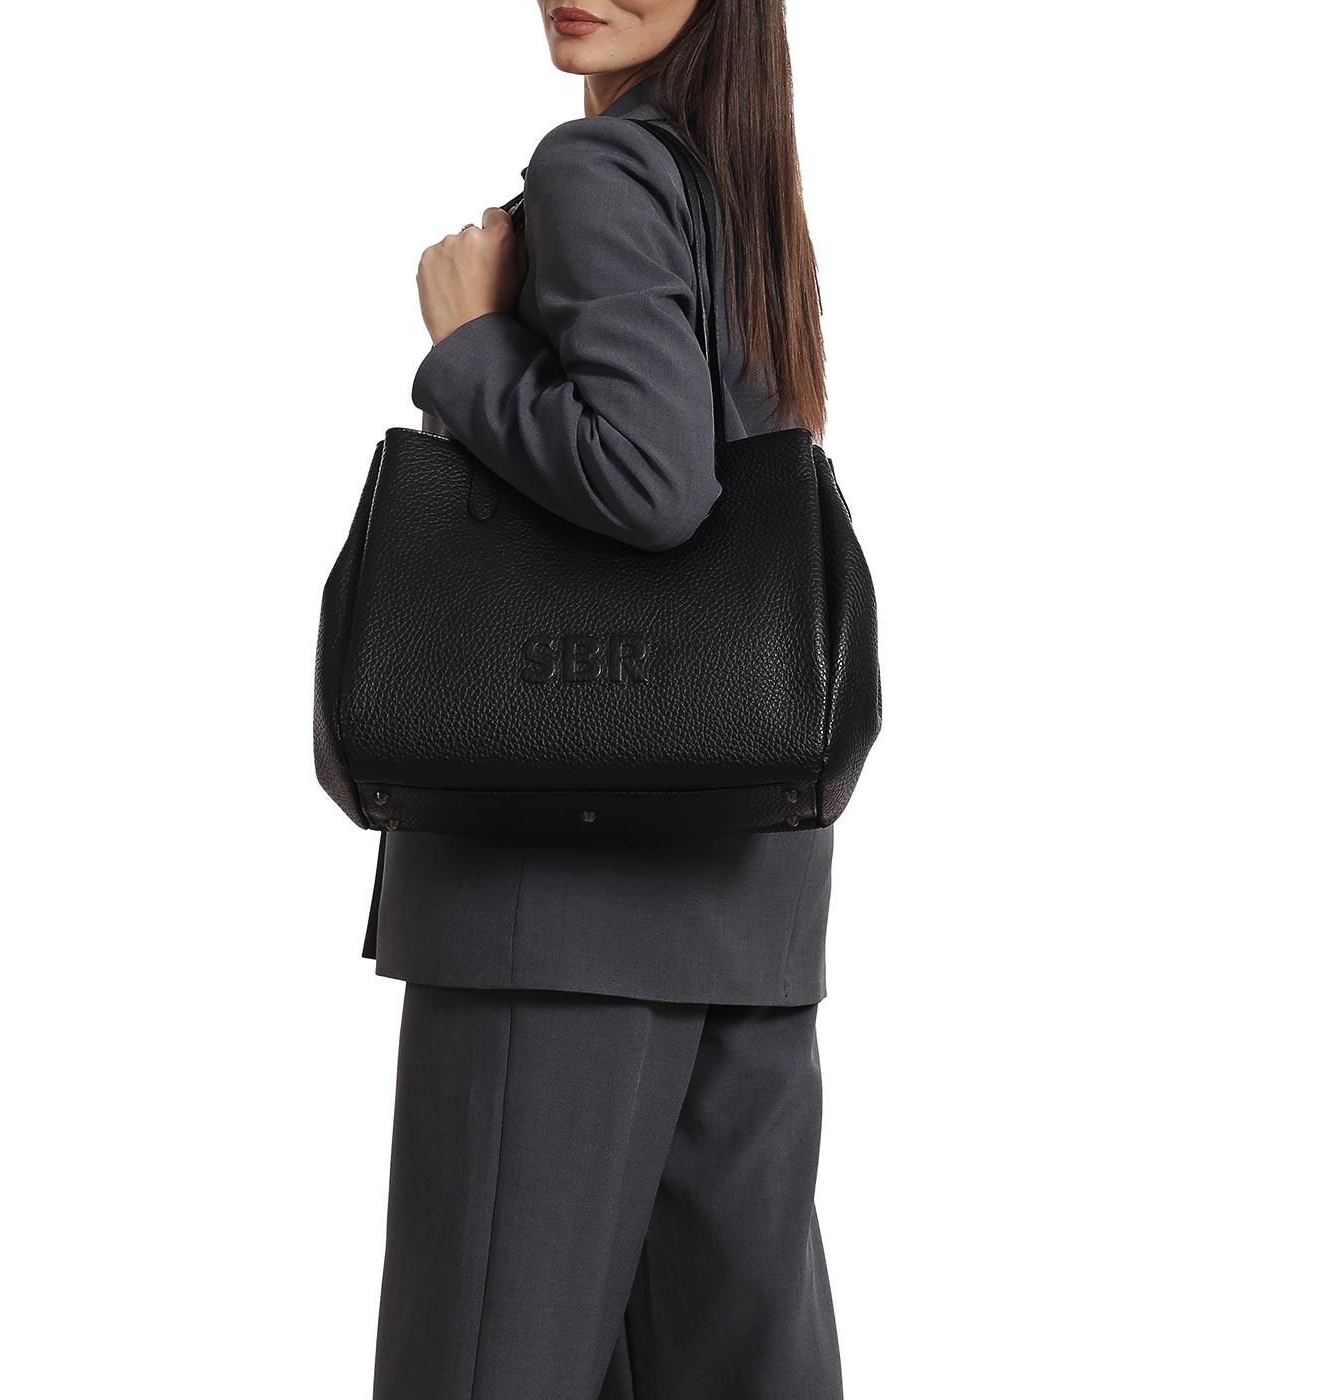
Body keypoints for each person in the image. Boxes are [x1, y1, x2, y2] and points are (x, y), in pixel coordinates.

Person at [365, 3, 843, 1396]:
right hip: (736, 898)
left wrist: (471, 344)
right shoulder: (736, 185)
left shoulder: (601, 170)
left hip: (558, 906)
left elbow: (653, 478)